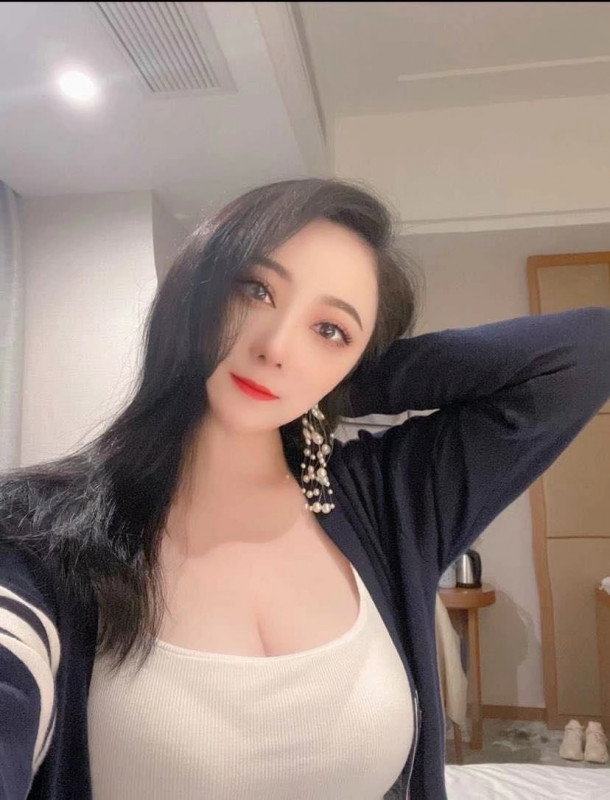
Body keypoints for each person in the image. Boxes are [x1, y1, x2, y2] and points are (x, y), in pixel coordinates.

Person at [0, 178, 609, 800]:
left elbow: (586, 352)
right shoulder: (35, 533)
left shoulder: (382, 501)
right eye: (256, 290)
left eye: (331, 329)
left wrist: (335, 384)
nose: (275, 347)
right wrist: (320, 360)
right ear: (196, 292)